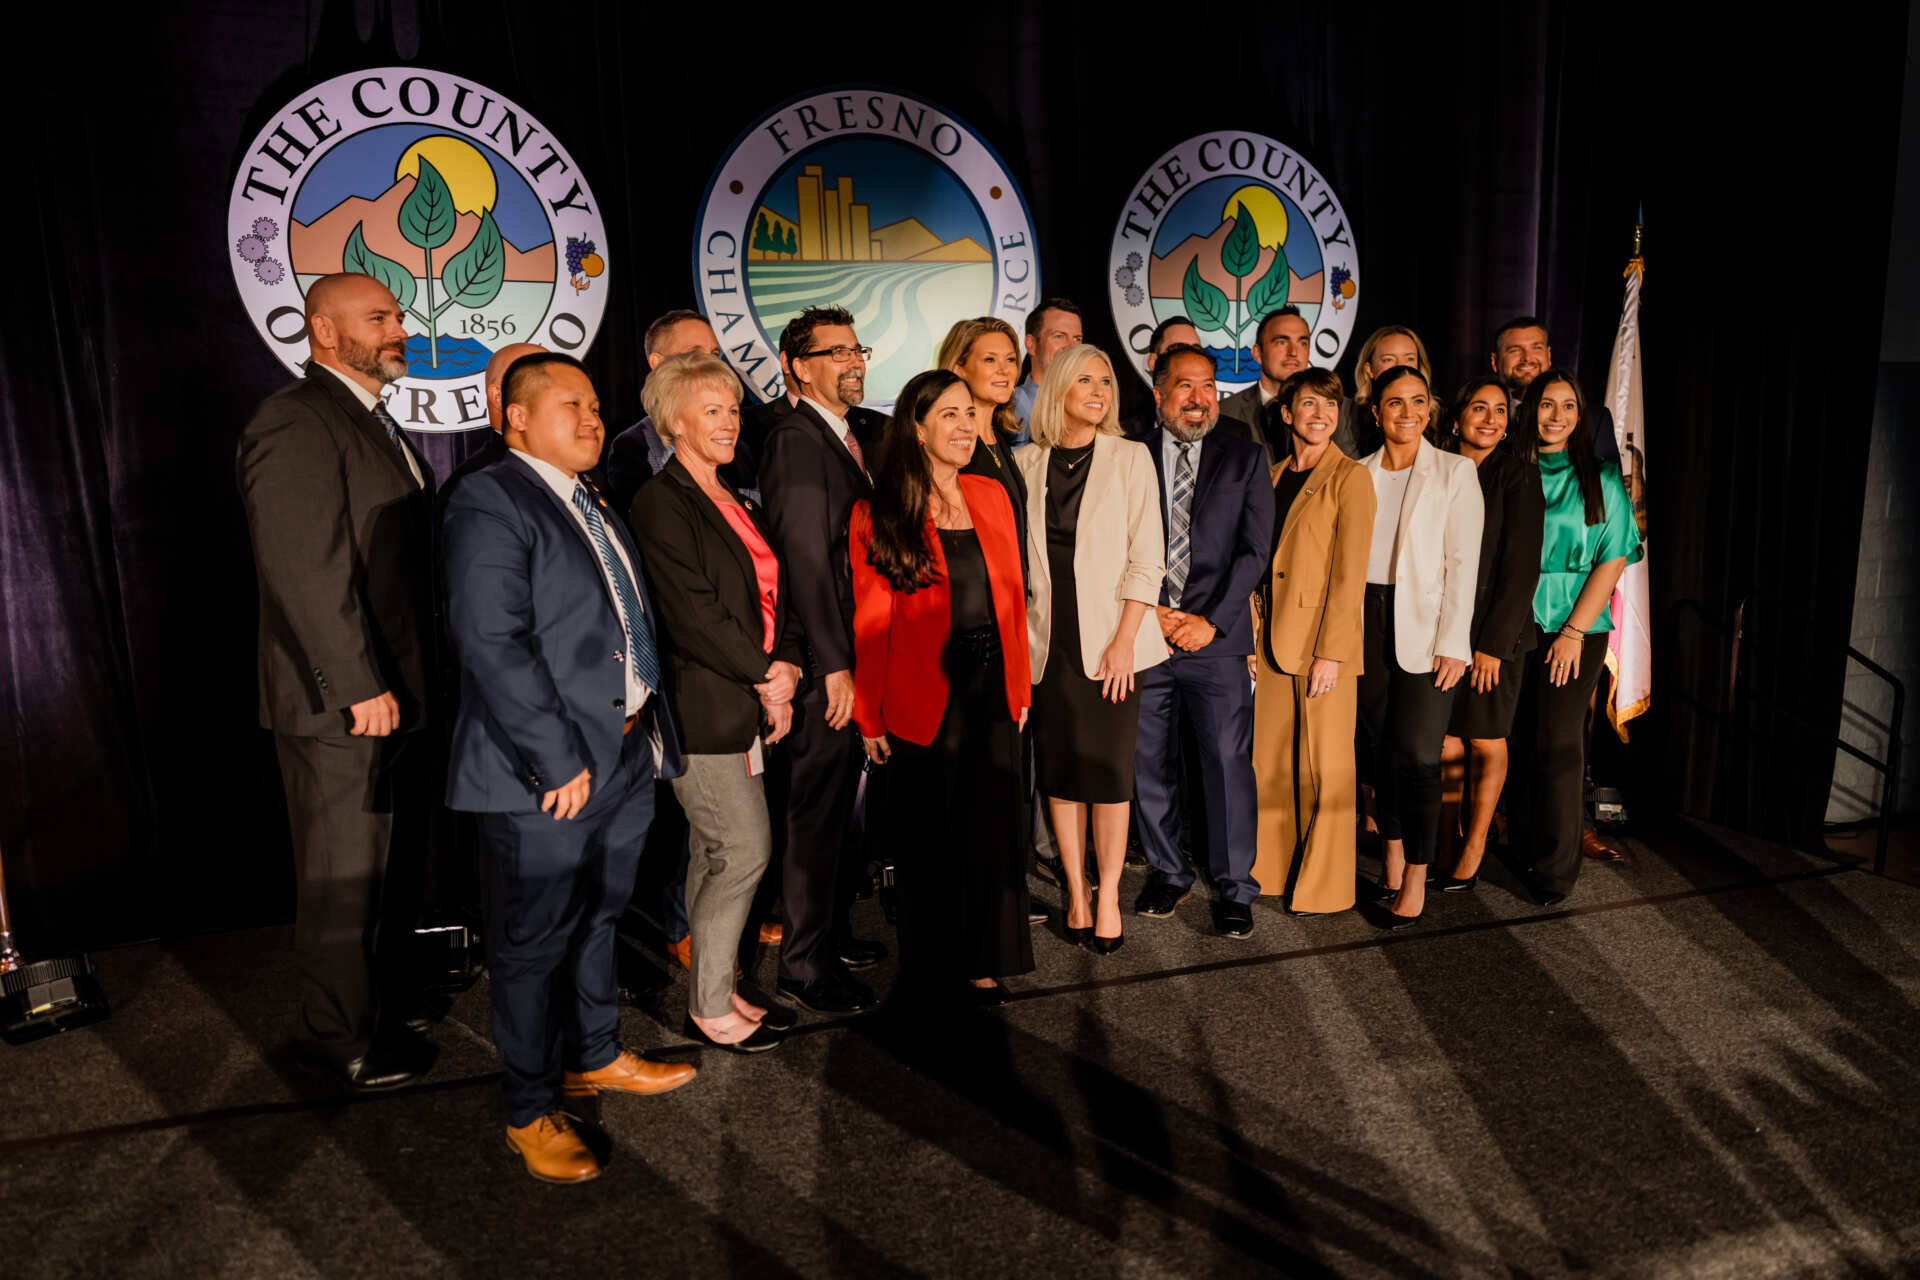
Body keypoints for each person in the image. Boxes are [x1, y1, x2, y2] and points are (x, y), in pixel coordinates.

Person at [443, 352, 696, 1184]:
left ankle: (595, 1056)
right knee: (531, 944)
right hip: (543, 773)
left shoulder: (588, 498)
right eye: (570, 405)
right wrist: (555, 760)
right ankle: (528, 1109)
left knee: (598, 918)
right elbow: (492, 642)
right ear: (515, 418)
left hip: (622, 752)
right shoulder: (490, 498)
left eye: (595, 404)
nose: (593, 418)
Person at [236, 272, 438, 1093]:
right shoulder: (295, 419)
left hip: (394, 694)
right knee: (340, 877)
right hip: (342, 705)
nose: (399, 328)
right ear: (324, 330)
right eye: (378, 317)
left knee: (380, 870)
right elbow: (304, 569)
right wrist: (356, 683)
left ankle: (373, 1011)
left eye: (397, 315)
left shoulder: (374, 421)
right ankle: (337, 1040)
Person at [628, 352, 807, 1054]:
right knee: (742, 851)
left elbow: (776, 595)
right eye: (711, 411)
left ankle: (718, 989)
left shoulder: (737, 497)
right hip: (702, 708)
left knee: (714, 855)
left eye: (732, 409)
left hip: (746, 700)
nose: (730, 422)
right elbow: (694, 615)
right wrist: (767, 676)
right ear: (674, 422)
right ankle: (707, 1007)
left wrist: (787, 665)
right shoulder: (660, 502)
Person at [851, 371, 1034, 1002]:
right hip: (923, 697)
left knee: (991, 832)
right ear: (918, 428)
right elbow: (871, 622)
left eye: (969, 414)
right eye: (949, 414)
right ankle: (932, 965)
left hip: (993, 688)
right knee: (930, 841)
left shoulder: (991, 493)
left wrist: (1020, 685)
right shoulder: (879, 511)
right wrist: (869, 715)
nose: (964, 426)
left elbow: (1013, 601)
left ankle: (983, 958)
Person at [1015, 344, 1168, 954]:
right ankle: (1076, 890)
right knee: (1061, 774)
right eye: (1086, 379)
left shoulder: (1131, 457)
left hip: (1112, 644)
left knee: (1107, 775)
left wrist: (1125, 641)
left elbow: (1147, 558)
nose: (1101, 389)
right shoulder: (1025, 462)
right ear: (1058, 389)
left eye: (1106, 379)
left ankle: (1107, 897)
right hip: (1047, 646)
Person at [758, 305, 885, 1014]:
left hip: (849, 652)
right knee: (814, 815)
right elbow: (804, 559)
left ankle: (830, 935)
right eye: (835, 352)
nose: (853, 362)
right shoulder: (794, 440)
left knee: (840, 812)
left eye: (856, 349)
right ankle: (804, 967)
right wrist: (835, 663)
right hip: (822, 666)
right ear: (797, 367)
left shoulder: (845, 435)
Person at [1128, 344, 1274, 937]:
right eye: (1185, 386)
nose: (1199, 398)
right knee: (1148, 762)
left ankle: (1235, 886)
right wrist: (1152, 615)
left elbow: (1255, 551)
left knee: (1227, 764)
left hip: (1217, 637)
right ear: (1159, 392)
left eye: (1208, 386)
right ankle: (1168, 870)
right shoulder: (1129, 452)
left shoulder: (1245, 456)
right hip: (1145, 633)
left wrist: (1210, 620)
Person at [1505, 368, 1643, 905]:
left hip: (1575, 627)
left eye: (1567, 406)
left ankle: (1556, 869)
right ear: (1530, 410)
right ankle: (1522, 845)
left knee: (1559, 743)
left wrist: (1572, 630)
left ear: (1580, 415)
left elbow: (1613, 559)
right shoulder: (1510, 469)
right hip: (1515, 622)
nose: (1556, 415)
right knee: (1519, 738)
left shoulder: (1601, 477)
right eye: (1546, 404)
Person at [1353, 366, 1483, 927]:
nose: (1407, 413)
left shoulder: (1455, 471)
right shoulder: (1357, 472)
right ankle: (1391, 855)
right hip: (1365, 620)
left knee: (1419, 757)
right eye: (1394, 403)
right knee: (1379, 753)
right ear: (1375, 411)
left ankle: (1416, 876)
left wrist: (1454, 643)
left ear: (1429, 409)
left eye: (1417, 402)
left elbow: (1464, 564)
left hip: (1427, 630)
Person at [1250, 368, 1375, 915]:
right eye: (1308, 404)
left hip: (1324, 647)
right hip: (1270, 640)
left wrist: (1333, 652)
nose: (1320, 414)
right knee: (1272, 763)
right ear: (1286, 413)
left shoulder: (1351, 478)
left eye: (1329, 405)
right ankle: (1274, 871)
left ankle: (1325, 888)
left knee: (1327, 768)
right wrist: (1251, 636)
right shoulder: (1272, 475)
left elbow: (1350, 576)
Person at [1438, 376, 1544, 890]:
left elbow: (1521, 571)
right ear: (1457, 417)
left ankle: (1475, 843)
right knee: (1444, 742)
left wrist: (1492, 647)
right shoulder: (1435, 467)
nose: (1490, 419)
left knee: (1483, 738)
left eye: (1500, 411)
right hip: (1439, 630)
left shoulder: (1517, 475)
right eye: (1479, 408)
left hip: (1492, 637)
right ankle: (1444, 836)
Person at [605, 310, 757, 516]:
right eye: (695, 354)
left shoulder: (737, 444)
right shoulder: (635, 446)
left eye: (714, 354)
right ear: (657, 363)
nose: (711, 363)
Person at [1489, 315, 1619, 464]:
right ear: (1495, 361)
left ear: (1549, 355)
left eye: (1536, 348)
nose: (1527, 358)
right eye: (1514, 350)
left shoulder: (1594, 420)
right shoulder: (1482, 421)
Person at [1219, 305, 1311, 463]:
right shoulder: (1225, 413)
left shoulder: (1339, 412)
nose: (1293, 352)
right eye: (1281, 342)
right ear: (1257, 353)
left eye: (1302, 343)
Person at [1336, 325, 1433, 459]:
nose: (1400, 366)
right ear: (1369, 369)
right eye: (1388, 359)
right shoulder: (1345, 416)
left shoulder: (1440, 420)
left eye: (1409, 358)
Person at [1012, 298, 1084, 437]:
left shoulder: (1087, 404)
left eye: (1077, 339)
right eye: (1059, 336)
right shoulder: (1013, 408)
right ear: (1031, 344)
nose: (1071, 347)